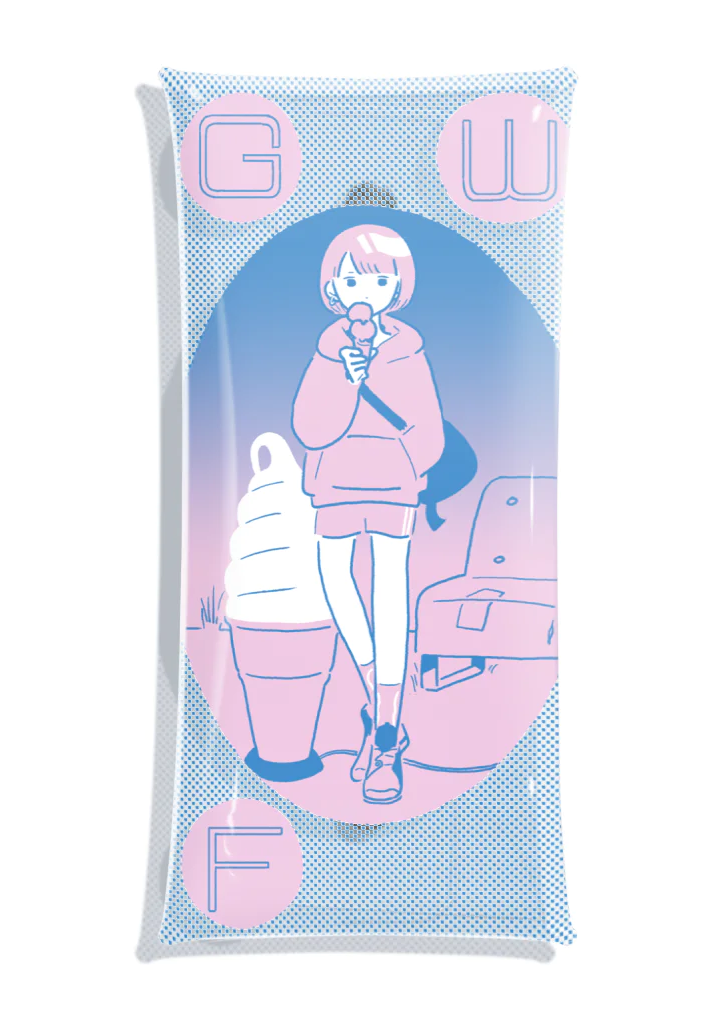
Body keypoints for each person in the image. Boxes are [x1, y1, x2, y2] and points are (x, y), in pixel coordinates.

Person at [292, 225, 444, 804]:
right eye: (353, 279)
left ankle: (384, 740)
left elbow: (427, 429)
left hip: (393, 481)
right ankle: (381, 704)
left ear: (397, 289)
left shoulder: (409, 350)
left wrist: (402, 446)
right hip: (334, 478)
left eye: (380, 281)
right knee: (335, 580)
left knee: (389, 593)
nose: (366, 292)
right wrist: (343, 378)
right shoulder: (328, 349)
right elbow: (310, 426)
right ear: (334, 288)